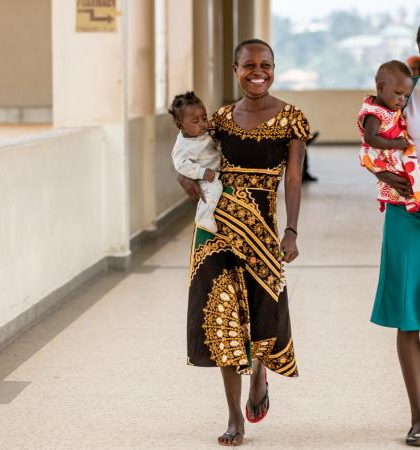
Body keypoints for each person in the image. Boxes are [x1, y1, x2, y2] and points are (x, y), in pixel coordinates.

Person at [178, 39, 310, 446]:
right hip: (216, 232)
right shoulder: (217, 118)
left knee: (262, 315)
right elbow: (189, 152)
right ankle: (234, 416)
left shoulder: (292, 119)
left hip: (264, 231)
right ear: (235, 69)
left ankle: (260, 375)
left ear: (274, 68)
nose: (258, 71)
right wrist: (184, 179)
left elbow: (292, 178)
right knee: (222, 319)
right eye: (249, 64)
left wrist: (291, 231)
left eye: (265, 64)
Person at [363, 26, 420, 446]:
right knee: (408, 315)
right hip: (407, 213)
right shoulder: (405, 87)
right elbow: (368, 137)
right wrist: (380, 171)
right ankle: (419, 418)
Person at [358, 60, 420, 213]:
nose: (402, 100)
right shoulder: (375, 112)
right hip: (387, 156)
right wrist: (396, 144)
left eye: (405, 96)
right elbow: (370, 139)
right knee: (406, 185)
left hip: (395, 152)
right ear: (381, 87)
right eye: (399, 94)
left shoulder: (389, 106)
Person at [169, 91, 223, 233]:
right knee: (214, 190)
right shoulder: (183, 145)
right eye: (195, 121)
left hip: (216, 169)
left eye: (204, 118)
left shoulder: (203, 131)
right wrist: (202, 172)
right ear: (180, 125)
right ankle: (204, 217)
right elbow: (180, 164)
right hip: (204, 177)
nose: (203, 124)